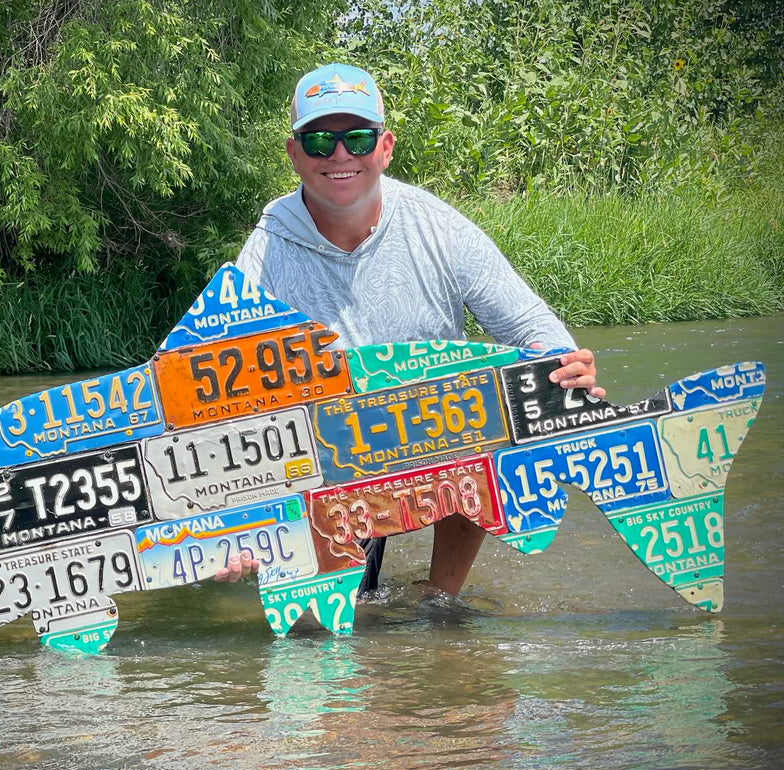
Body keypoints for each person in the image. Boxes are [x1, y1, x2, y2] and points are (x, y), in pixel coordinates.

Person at [219, 62, 605, 595]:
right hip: (325, 464)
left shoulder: (438, 228)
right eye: (318, 141)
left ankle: (440, 597)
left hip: (433, 440)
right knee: (334, 631)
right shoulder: (266, 252)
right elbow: (218, 385)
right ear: (294, 154)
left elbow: (534, 327)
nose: (339, 156)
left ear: (385, 147)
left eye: (357, 138)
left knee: (503, 393)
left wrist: (567, 364)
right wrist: (238, 517)